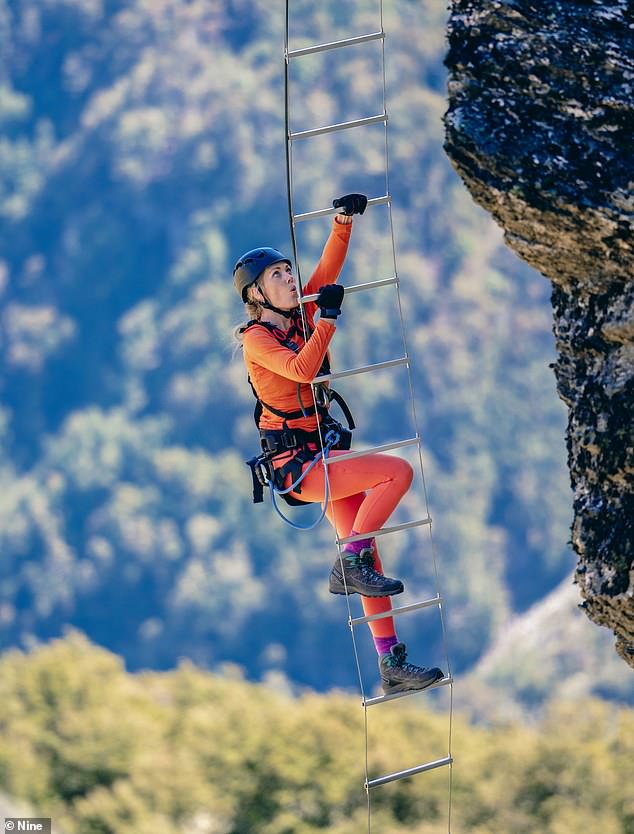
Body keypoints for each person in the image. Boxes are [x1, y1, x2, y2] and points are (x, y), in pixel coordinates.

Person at [233, 193, 444, 694]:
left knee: (369, 562)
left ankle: (391, 663)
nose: (289, 279)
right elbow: (303, 369)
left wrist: (343, 221)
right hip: (298, 467)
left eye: (288, 272)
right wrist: (328, 319)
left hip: (322, 451)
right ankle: (347, 561)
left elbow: (327, 269)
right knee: (398, 473)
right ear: (256, 296)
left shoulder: (300, 315)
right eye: (277, 277)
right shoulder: (257, 339)